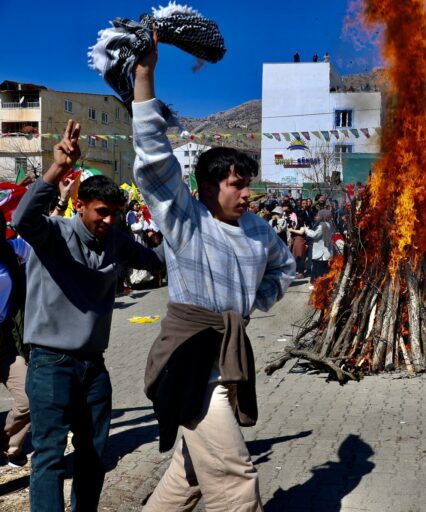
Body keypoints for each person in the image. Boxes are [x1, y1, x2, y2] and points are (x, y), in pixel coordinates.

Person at [132, 36, 295, 511]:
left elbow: (283, 268)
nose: (247, 194)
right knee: (235, 479)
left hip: (229, 356)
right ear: (207, 187)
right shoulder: (186, 220)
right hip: (190, 361)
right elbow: (155, 161)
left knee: (187, 480)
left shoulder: (260, 230)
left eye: (249, 184)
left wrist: (252, 305)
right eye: (236, 185)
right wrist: (144, 77)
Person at [12, 120, 164, 512]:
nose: (109, 220)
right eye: (101, 212)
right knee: (47, 455)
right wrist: (57, 168)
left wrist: (190, 229)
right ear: (79, 205)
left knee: (94, 454)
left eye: (115, 213)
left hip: (93, 367)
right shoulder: (53, 233)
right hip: (50, 362)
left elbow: (159, 262)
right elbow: (21, 220)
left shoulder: (117, 240)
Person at [0, 213, 31, 469]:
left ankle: (9, 445)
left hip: (6, 342)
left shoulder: (13, 249)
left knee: (30, 397)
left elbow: (48, 246)